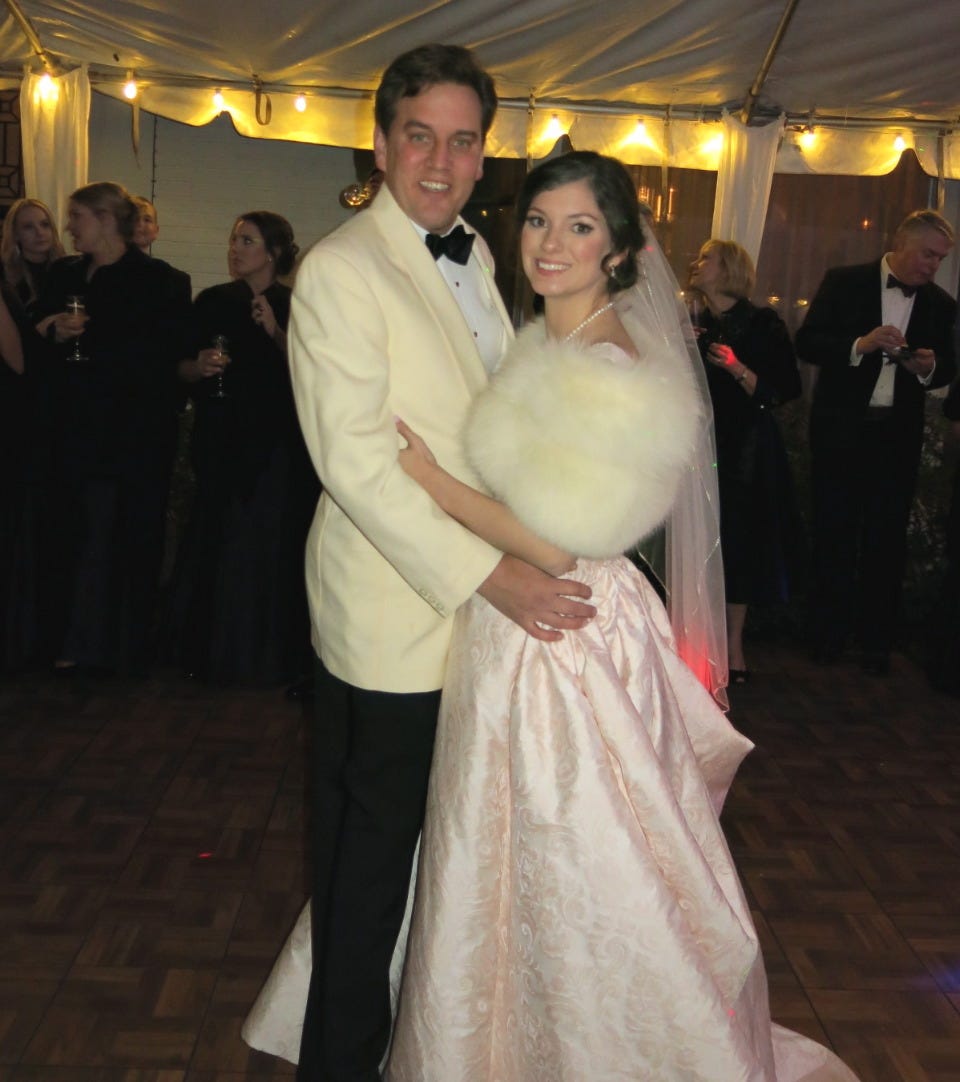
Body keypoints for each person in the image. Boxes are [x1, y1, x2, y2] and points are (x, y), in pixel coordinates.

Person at [245, 151, 859, 1081]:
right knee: (489, 844)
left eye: (580, 227)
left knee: (562, 847)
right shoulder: (540, 338)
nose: (552, 243)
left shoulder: (606, 358)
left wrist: (425, 476)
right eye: (539, 221)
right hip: (514, 628)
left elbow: (557, 544)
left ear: (619, 250)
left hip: (558, 636)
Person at [282, 44, 595, 1081]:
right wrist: (495, 575)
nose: (440, 159)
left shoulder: (482, 262)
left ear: (482, 153)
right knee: (364, 880)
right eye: (420, 134)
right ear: (380, 144)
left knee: (445, 872)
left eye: (464, 140)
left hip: (484, 634)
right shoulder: (337, 270)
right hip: (390, 625)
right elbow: (360, 468)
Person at [35, 181, 193, 675]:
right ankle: (69, 641)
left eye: (76, 217)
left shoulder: (160, 281)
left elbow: (165, 361)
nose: (68, 228)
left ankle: (120, 649)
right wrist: (51, 330)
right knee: (72, 537)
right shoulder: (64, 273)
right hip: (70, 432)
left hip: (131, 437)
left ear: (105, 219)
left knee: (125, 538)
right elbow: (32, 329)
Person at [796, 210, 957, 675]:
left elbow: (947, 370)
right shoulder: (845, 282)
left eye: (941, 259)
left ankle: (875, 643)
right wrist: (859, 345)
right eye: (928, 254)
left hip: (896, 436)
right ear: (901, 241)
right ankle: (825, 635)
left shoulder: (942, 305)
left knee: (886, 541)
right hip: (841, 430)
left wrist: (926, 367)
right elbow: (807, 343)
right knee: (834, 534)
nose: (933, 266)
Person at [168, 211, 318, 686]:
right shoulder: (213, 301)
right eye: (233, 240)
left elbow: (312, 376)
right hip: (221, 435)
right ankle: (208, 655)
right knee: (216, 538)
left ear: (272, 253)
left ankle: (266, 657)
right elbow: (180, 370)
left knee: (266, 542)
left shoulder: (297, 304)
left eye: (247, 241)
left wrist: (275, 330)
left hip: (276, 443)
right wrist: (199, 366)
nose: (235, 249)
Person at [687, 239, 803, 682]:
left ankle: (732, 646)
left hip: (746, 452)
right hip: (699, 448)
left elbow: (785, 391)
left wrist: (736, 367)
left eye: (706, 259)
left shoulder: (761, 324)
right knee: (699, 542)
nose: (697, 264)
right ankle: (695, 641)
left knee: (739, 544)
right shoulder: (695, 322)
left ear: (729, 270)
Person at [0, 198, 66, 318]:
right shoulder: (5, 272)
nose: (40, 232)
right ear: (15, 234)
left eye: (45, 224)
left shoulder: (68, 269)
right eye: (28, 227)